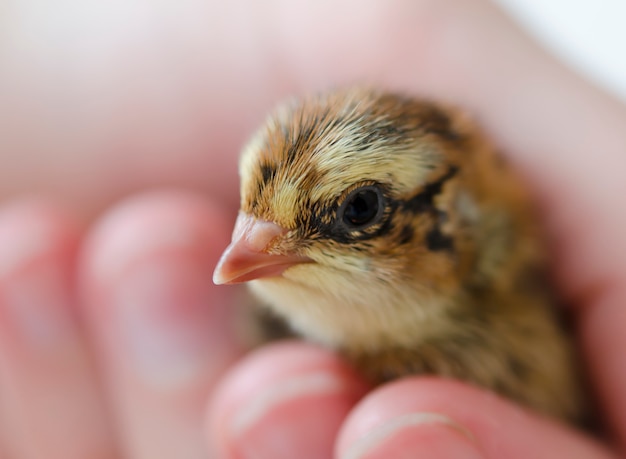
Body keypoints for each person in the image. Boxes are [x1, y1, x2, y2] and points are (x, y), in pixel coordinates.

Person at [1, 1, 625, 457]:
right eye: (252, 210)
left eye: (357, 213)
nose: (245, 250)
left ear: (453, 221)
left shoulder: (537, 330)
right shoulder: (270, 330)